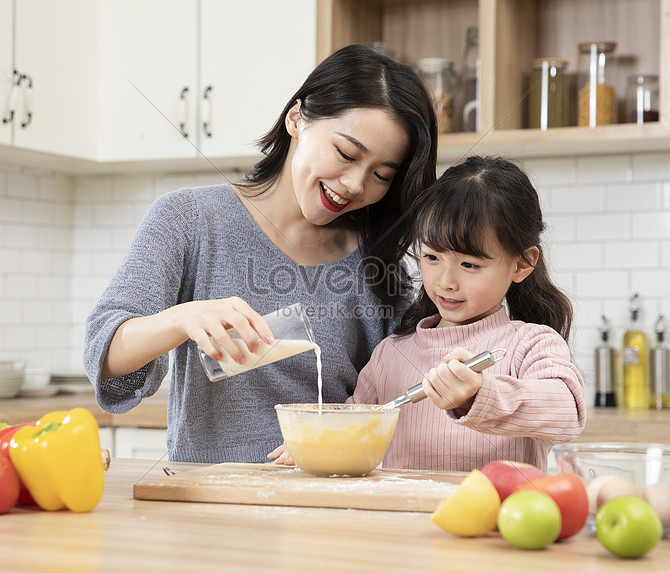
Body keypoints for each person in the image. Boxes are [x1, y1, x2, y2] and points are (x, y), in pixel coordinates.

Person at [84, 44, 439, 463]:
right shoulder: (189, 219)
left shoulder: (376, 263)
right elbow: (105, 356)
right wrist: (184, 318)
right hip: (209, 502)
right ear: (296, 118)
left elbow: (394, 398)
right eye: (345, 154)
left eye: (381, 175)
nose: (356, 184)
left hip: (327, 502)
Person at [271, 155, 586, 472]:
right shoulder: (391, 354)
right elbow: (354, 424)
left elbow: (567, 411)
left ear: (521, 264)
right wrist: (319, 439)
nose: (446, 282)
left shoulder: (531, 344)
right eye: (432, 257)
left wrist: (481, 395)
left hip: (498, 519)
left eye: (469, 265)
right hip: (403, 520)